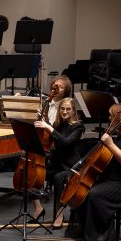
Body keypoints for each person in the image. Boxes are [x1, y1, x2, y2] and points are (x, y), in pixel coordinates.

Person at [65, 103, 121, 241]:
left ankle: (101, 235)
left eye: (111, 115)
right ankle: (83, 231)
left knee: (94, 194)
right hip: (115, 181)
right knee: (85, 192)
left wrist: (110, 144)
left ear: (119, 117)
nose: (109, 118)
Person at [33, 96, 84, 227]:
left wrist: (49, 128)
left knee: (58, 178)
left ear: (73, 111)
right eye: (62, 108)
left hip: (71, 166)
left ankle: (59, 213)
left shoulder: (78, 127)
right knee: (33, 174)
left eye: (68, 109)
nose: (65, 111)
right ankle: (38, 208)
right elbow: (50, 132)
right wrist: (43, 121)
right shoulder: (57, 125)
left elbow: (66, 141)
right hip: (57, 164)